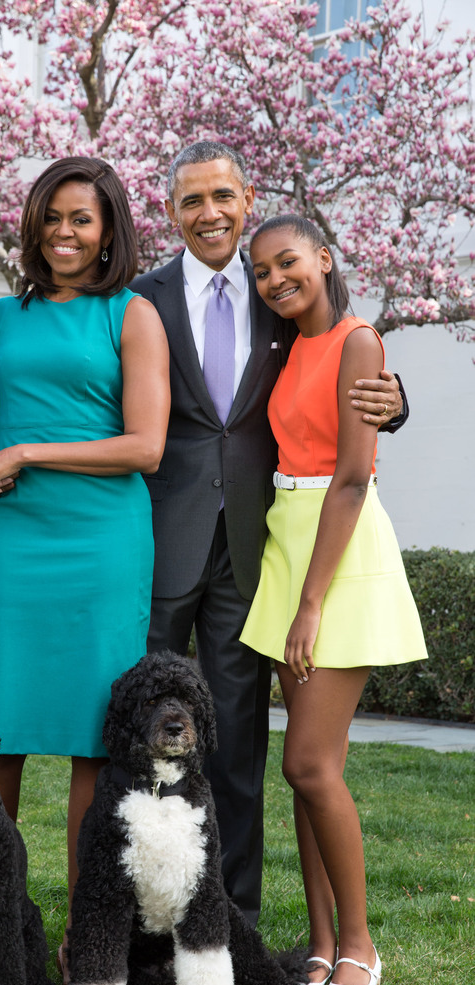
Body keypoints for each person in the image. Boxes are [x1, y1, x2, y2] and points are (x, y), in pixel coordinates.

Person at [130, 141, 407, 925]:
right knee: (136, 732)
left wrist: (395, 398)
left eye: (221, 196)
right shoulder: (142, 299)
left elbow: (342, 366)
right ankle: (142, 912)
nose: (208, 213)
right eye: (191, 200)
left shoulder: (277, 290)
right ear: (172, 212)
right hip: (160, 539)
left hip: (257, 551)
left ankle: (234, 921)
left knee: (239, 743)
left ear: (247, 200)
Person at [0, 157, 169, 979]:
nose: (63, 232)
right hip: (15, 543)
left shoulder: (134, 314)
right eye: (51, 216)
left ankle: (87, 945)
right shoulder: (1, 317)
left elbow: (145, 446)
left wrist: (27, 450)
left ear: (110, 228)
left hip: (102, 542)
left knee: (96, 742)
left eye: (81, 218)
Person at [240, 214, 426, 985]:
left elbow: (352, 476)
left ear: (324, 257)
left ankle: (359, 943)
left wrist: (310, 604)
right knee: (311, 771)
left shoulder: (359, 339)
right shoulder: (286, 345)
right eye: (261, 272)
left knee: (307, 762)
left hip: (336, 549)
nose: (276, 280)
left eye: (288, 263)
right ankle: (318, 944)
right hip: (287, 538)